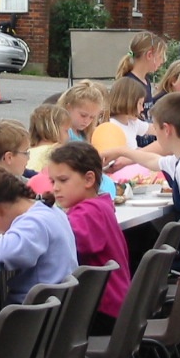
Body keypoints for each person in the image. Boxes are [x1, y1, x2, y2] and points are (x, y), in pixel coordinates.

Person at [103, 92, 180, 282]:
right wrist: (121, 152)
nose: (154, 132)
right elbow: (155, 161)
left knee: (134, 261)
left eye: (155, 127)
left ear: (167, 129)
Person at [0, 166, 78, 305]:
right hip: (55, 307)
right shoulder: (50, 210)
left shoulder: (33, 222)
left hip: (33, 312)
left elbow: (11, 251)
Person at [47, 142, 131, 334]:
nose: (56, 189)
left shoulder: (87, 213)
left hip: (101, 310)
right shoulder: (100, 205)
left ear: (88, 179)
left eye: (63, 180)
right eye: (53, 182)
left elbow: (63, 240)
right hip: (115, 306)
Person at [116, 31, 167, 117]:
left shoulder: (145, 80)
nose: (162, 61)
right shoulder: (130, 84)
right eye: (160, 57)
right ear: (149, 55)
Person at [107, 77, 153, 149]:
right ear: (129, 103)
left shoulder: (132, 122)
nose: (142, 109)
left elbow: (155, 129)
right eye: (140, 104)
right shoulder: (112, 126)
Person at [27, 104, 70, 172]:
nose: (69, 136)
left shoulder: (27, 150)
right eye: (66, 131)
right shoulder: (58, 151)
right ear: (53, 129)